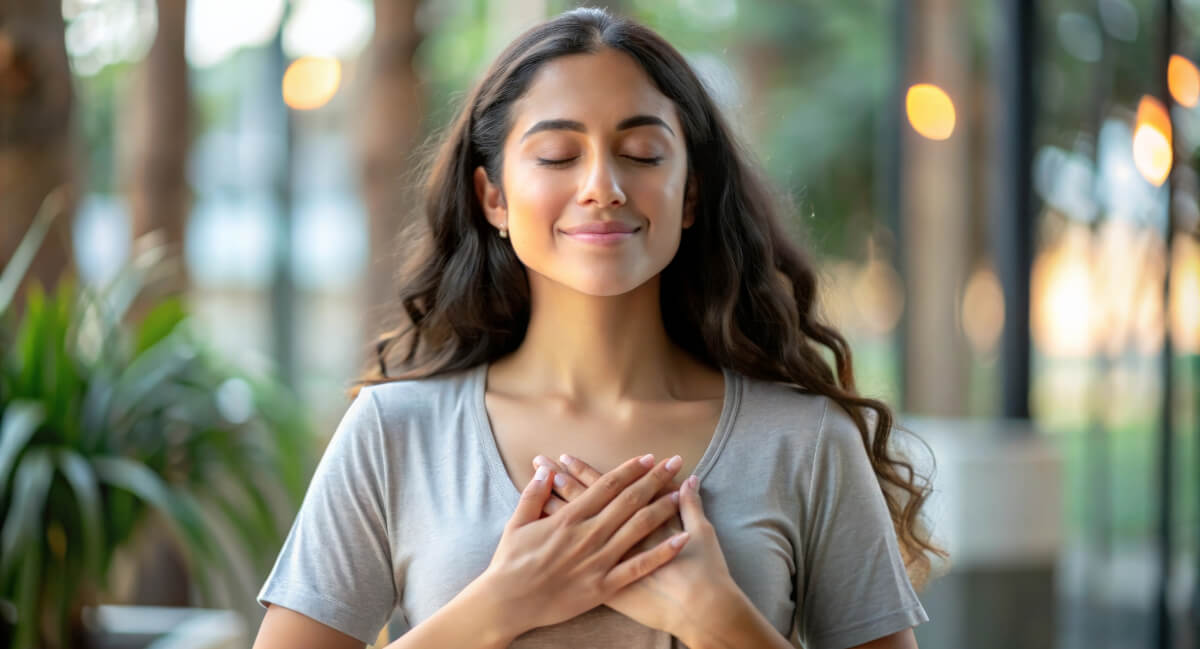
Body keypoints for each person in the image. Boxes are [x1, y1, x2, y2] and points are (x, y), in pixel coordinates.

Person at [252, 7, 946, 649]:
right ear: (492, 196)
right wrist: (498, 603)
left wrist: (719, 620)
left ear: (692, 193)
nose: (602, 185)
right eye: (557, 156)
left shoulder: (805, 440)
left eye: (643, 153)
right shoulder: (393, 431)